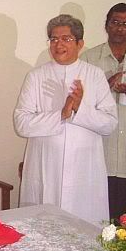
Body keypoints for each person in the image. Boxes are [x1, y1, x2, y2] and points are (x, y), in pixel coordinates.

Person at [14, 14, 118, 226]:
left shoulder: (94, 75)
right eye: (53, 39)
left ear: (80, 43)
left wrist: (80, 108)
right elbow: (21, 123)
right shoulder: (36, 76)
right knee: (45, 229)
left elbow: (109, 124)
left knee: (85, 230)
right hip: (45, 165)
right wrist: (61, 115)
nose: (58, 44)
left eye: (66, 39)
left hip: (84, 167)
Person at [80, 3, 126, 221]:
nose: (120, 28)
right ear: (106, 24)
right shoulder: (89, 59)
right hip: (99, 149)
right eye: (115, 22)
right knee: (97, 217)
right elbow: (79, 103)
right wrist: (105, 85)